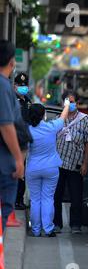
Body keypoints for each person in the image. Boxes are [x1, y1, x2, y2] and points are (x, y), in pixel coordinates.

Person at [0, 40, 25, 269]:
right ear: (11, 61)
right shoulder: (3, 85)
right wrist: (19, 159)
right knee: (2, 216)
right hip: (4, 165)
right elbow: (6, 125)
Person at [54, 91, 88, 234]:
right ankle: (56, 223)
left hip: (75, 163)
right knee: (56, 195)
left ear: (77, 103)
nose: (70, 105)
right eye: (67, 102)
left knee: (76, 196)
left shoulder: (85, 119)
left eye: (72, 102)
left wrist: (85, 163)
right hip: (58, 164)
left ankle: (75, 225)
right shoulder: (59, 118)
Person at [26, 102, 69, 237]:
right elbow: (62, 118)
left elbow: (24, 150)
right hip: (51, 168)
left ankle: (36, 230)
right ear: (43, 115)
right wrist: (67, 105)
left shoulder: (27, 130)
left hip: (33, 168)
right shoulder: (51, 127)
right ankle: (49, 229)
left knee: (35, 199)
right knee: (48, 198)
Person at [14, 72, 32, 210]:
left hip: (23, 143)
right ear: (15, 86)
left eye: (24, 85)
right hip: (12, 142)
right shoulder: (11, 100)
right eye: (20, 85)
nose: (22, 87)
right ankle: (11, 200)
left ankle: (19, 200)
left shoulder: (28, 101)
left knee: (22, 172)